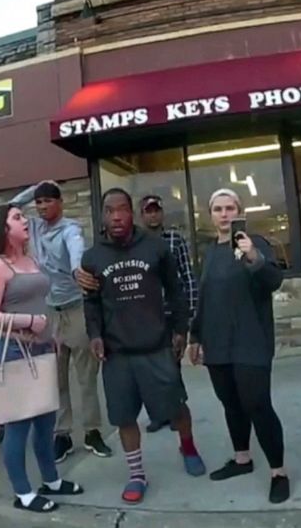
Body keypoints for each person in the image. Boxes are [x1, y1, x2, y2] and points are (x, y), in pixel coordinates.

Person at [80, 188, 206, 505]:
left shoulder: (155, 247)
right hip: (117, 353)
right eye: (110, 210)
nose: (117, 216)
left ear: (132, 213)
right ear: (103, 216)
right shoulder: (92, 257)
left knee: (176, 408)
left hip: (156, 346)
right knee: (124, 417)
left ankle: (188, 447)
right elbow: (91, 303)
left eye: (122, 209)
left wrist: (180, 329)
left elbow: (176, 291)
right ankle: (137, 474)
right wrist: (94, 334)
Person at [0, 204, 84, 513]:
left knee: (46, 421)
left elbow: (41, 301)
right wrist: (28, 321)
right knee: (19, 425)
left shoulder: (30, 260)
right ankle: (22, 492)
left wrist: (49, 335)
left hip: (40, 348)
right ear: (3, 228)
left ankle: (51, 480)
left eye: (24, 216)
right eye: (17, 217)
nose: (26, 220)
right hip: (13, 351)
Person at [188, 188, 290, 504]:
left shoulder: (255, 244)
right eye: (217, 208)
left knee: (257, 404)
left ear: (240, 211)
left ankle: (278, 472)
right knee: (231, 403)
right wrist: (195, 335)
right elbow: (203, 298)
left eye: (230, 208)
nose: (224, 214)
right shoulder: (209, 252)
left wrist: (252, 256)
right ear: (210, 215)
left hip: (251, 342)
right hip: (218, 343)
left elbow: (273, 281)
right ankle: (242, 459)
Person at [10, 180, 110, 462]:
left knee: (86, 376)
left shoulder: (71, 230)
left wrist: (79, 271)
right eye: (38, 202)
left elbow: (77, 253)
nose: (41, 207)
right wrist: (36, 188)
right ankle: (62, 435)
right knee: (56, 378)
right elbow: (7, 209)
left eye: (47, 201)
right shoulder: (34, 227)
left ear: (60, 202)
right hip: (49, 312)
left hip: (75, 309)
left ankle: (92, 432)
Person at [140, 194, 198, 433]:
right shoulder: (137, 242)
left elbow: (187, 274)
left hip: (172, 312)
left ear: (161, 213)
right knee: (150, 367)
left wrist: (191, 309)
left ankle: (176, 412)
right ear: (141, 215)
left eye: (156, 210)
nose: (153, 215)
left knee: (172, 366)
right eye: (148, 211)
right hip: (146, 315)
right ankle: (158, 414)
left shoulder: (175, 239)